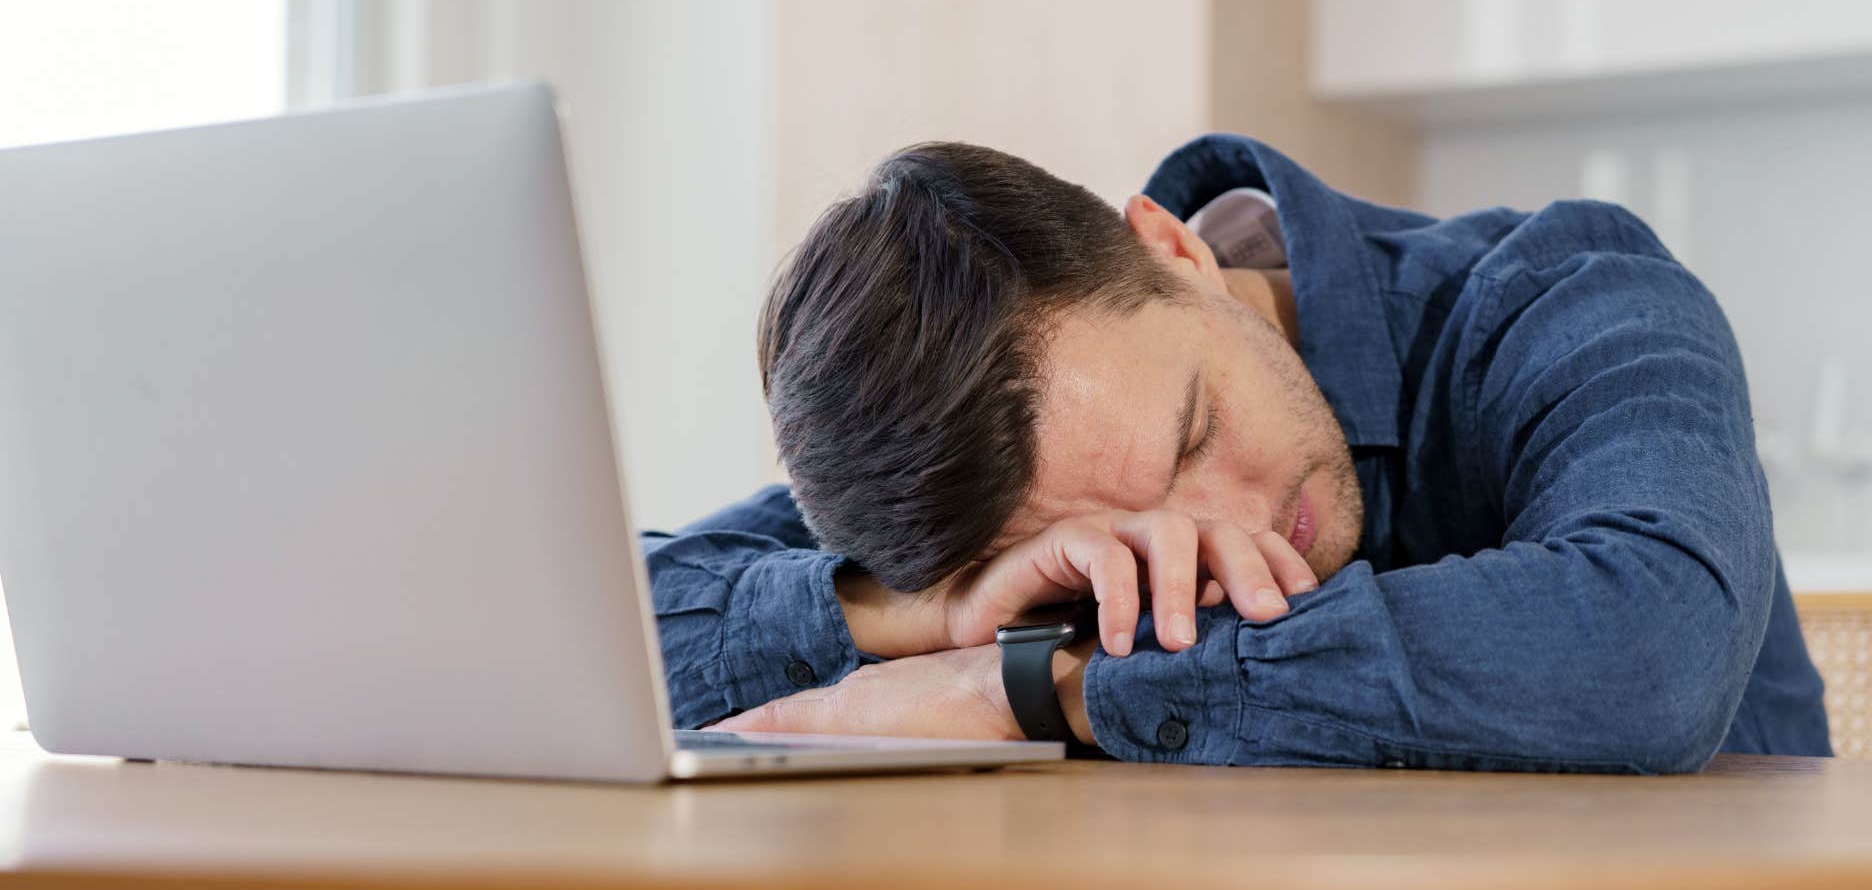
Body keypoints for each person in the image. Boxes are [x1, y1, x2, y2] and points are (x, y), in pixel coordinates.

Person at [640, 135, 1831, 772]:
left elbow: (1646, 649)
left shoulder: (1572, 298)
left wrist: (1031, 688)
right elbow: (599, 633)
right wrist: (915, 615)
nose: (1233, 536)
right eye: (1106, 543)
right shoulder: (983, 457)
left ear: (1170, 251)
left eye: (1195, 433)